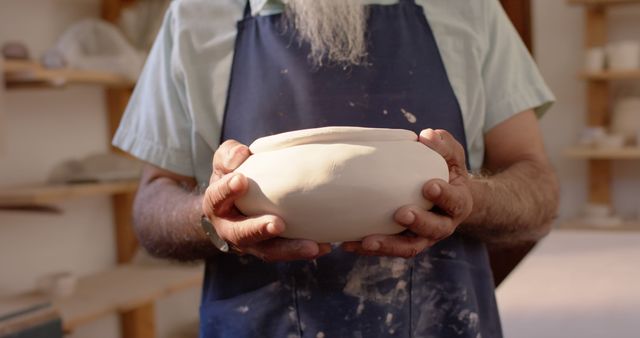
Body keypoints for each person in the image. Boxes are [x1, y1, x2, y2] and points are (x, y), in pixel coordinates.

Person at [113, 0, 559, 337]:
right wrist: (209, 217)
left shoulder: (467, 8)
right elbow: (152, 202)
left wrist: (472, 200)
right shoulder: (196, 15)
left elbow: (536, 184)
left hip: (443, 321)